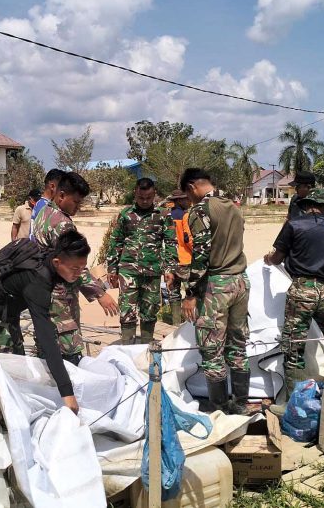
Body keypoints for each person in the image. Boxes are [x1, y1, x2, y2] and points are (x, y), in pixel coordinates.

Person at [0, 231, 93, 413]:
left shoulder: (51, 259)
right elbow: (46, 338)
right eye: (74, 269)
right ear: (57, 262)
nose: (78, 273)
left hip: (9, 316)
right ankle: (1, 420)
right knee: (4, 374)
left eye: (82, 268)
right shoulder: (38, 282)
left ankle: (15, 413)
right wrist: (66, 392)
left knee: (18, 368)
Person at [180, 168, 250, 415]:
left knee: (212, 349)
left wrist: (189, 294)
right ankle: (241, 404)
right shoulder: (233, 205)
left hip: (216, 286)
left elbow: (200, 255)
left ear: (191, 188)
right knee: (238, 345)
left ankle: (219, 408)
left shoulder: (200, 210)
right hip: (240, 281)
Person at [264, 189, 324, 416]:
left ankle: (291, 404)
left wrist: (269, 259)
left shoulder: (294, 225)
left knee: (293, 345)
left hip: (302, 289)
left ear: (305, 205)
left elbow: (277, 257)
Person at [31, 171, 118, 360]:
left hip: (42, 290)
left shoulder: (43, 213)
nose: (78, 207)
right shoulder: (62, 224)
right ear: (61, 195)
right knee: (68, 348)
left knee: (47, 342)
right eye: (76, 202)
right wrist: (100, 293)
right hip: (60, 295)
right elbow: (75, 265)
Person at [107, 178, 177, 344]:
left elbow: (171, 242)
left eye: (149, 197)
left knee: (150, 310)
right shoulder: (125, 214)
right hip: (127, 270)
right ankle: (127, 347)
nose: (145, 201)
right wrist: (112, 268)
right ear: (135, 194)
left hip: (152, 271)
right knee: (127, 311)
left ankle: (146, 346)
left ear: (154, 195)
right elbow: (115, 241)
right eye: (141, 198)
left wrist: (170, 269)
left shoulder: (163, 215)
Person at [165, 189, 192, 326]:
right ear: (179, 200)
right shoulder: (185, 216)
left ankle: (175, 323)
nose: (188, 201)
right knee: (190, 293)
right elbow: (188, 239)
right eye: (186, 199)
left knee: (173, 293)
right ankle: (188, 324)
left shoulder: (166, 215)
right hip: (185, 259)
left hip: (170, 261)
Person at [30, 168, 65, 238]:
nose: (63, 190)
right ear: (52, 186)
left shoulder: (40, 203)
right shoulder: (46, 207)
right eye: (62, 187)